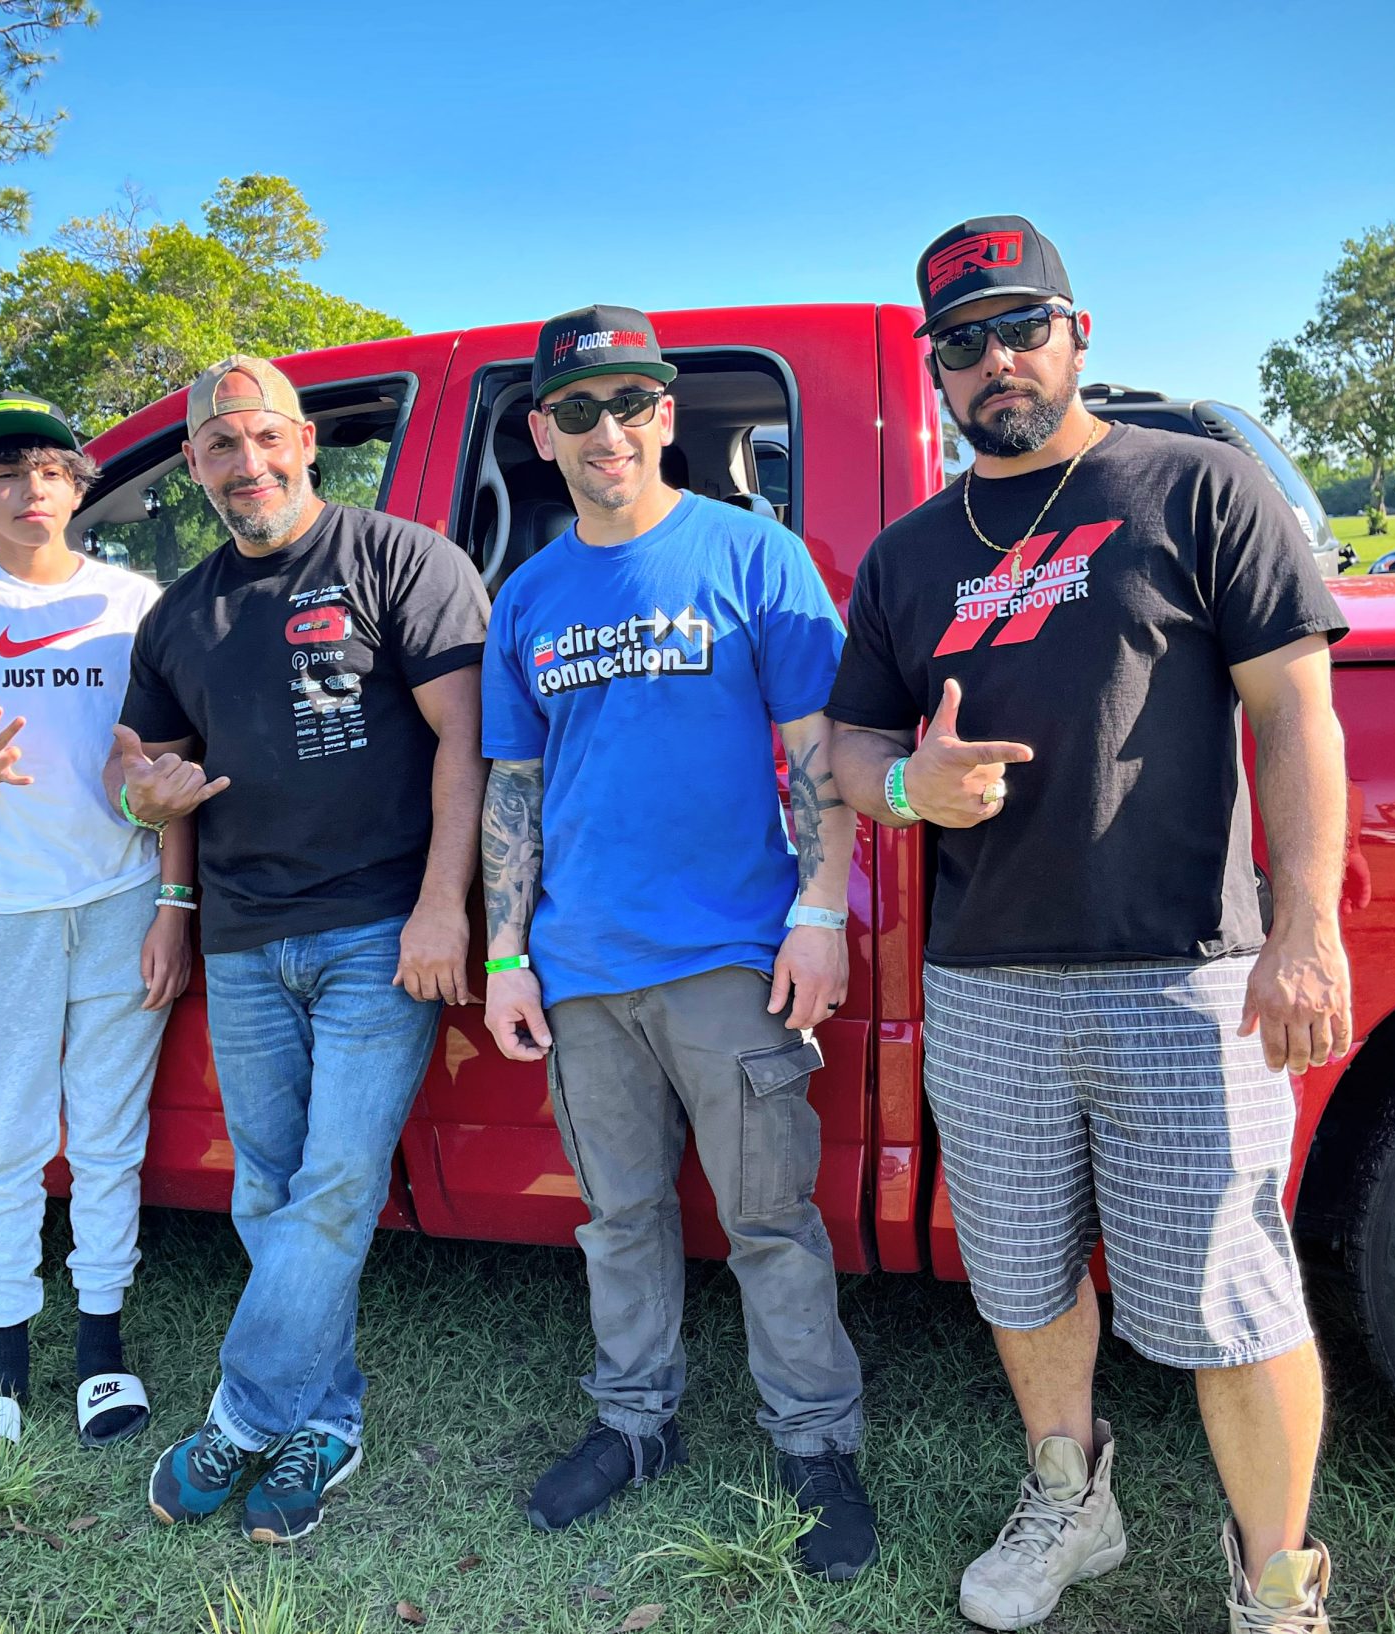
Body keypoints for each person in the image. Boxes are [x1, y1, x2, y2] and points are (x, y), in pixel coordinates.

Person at [826, 218, 1352, 1633]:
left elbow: (1296, 712)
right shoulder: (908, 554)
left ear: (1077, 332)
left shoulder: (1198, 487)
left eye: (1021, 328)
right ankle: (1073, 1494)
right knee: (1020, 1275)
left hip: (1185, 974)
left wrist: (1304, 930)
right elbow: (844, 748)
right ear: (936, 368)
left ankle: (1279, 1580)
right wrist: (903, 784)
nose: (997, 361)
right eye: (963, 342)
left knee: (1234, 1301)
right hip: (987, 980)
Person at [481, 306, 877, 1580]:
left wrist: (820, 913)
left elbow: (821, 750)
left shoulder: (752, 555)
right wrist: (503, 950)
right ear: (543, 432)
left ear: (665, 413)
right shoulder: (528, 594)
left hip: (727, 960)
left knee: (769, 1220)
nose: (607, 429)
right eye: (578, 409)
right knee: (619, 1217)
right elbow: (513, 786)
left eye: (630, 401)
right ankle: (632, 1424)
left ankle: (815, 1448)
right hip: (583, 967)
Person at [119, 355, 488, 1546]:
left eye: (264, 436)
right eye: (219, 446)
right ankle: (324, 1419)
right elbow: (144, 768)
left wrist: (444, 905)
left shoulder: (399, 559)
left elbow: (464, 744)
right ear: (192, 465)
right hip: (240, 941)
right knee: (269, 1188)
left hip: (381, 931)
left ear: (305, 442)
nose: (246, 463)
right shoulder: (181, 613)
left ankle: (242, 1412)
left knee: (333, 1183)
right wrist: (161, 866)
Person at [0, 391, 189, 1455]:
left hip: (116, 903)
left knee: (108, 1137)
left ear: (79, 484)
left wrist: (167, 899)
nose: (29, 490)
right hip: (1, 916)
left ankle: (100, 1351)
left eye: (49, 470)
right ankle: (1, 1363)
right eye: (4, 474)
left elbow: (163, 758)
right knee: (7, 1141)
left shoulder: (134, 601)